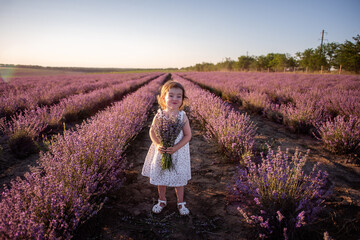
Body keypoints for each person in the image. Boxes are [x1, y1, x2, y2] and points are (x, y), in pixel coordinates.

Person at [141, 80, 192, 216]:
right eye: (171, 95)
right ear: (164, 98)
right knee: (161, 175)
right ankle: (162, 200)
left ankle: (180, 202)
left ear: (183, 99)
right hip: (162, 151)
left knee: (179, 177)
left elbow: (188, 135)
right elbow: (152, 131)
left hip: (178, 151)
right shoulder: (159, 115)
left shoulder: (182, 116)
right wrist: (158, 144)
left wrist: (176, 147)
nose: (175, 99)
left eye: (179, 96)